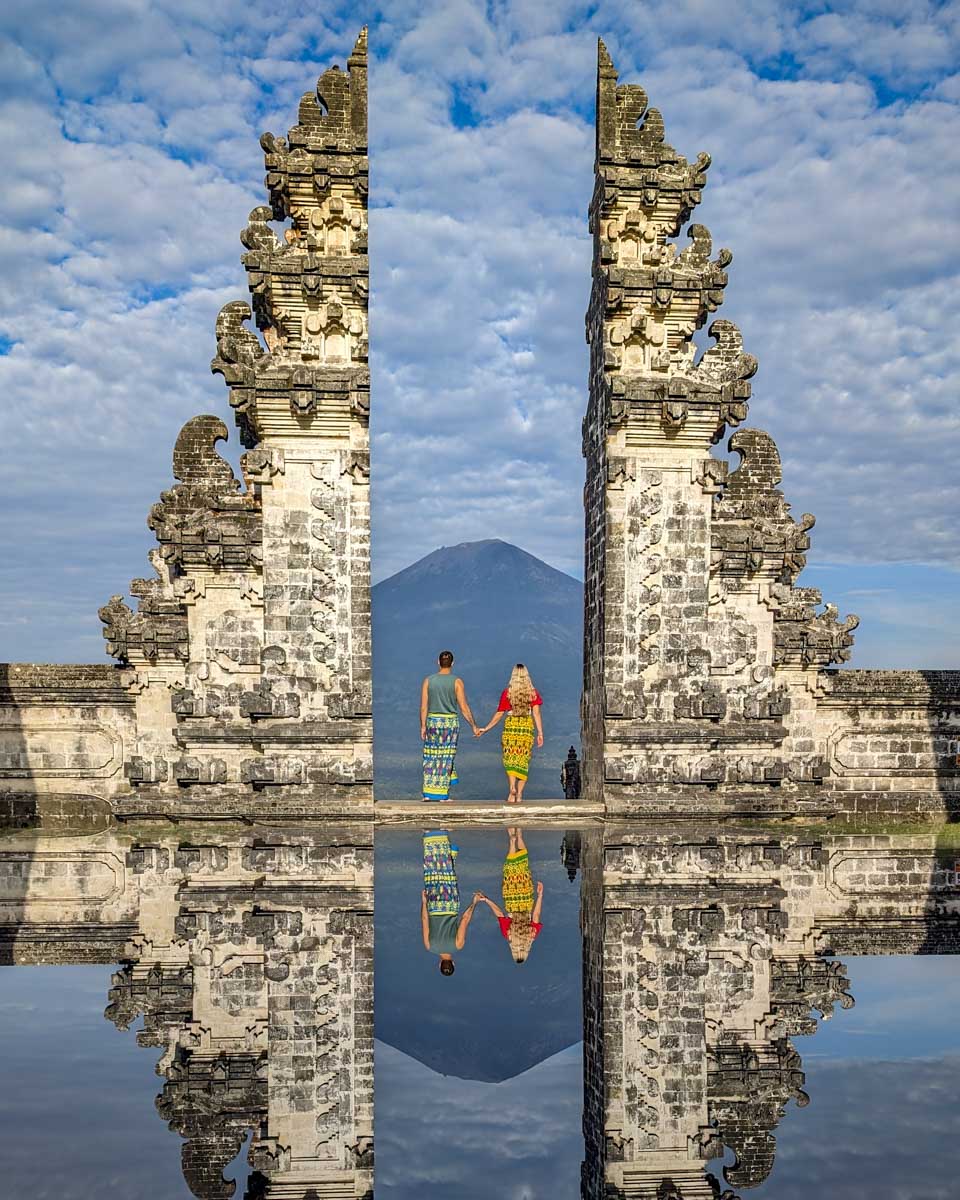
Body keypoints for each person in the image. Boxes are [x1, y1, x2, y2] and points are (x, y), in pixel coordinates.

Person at [475, 827, 544, 964]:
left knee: (523, 864)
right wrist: (486, 900)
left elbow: (536, 915)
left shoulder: (532, 935)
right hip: (511, 899)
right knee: (510, 868)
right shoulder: (508, 935)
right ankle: (512, 842)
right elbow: (499, 914)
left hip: (526, 899)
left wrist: (540, 895)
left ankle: (519, 836)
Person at [476, 663, 543, 803]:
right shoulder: (533, 693)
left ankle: (512, 787)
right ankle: (519, 794)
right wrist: (540, 733)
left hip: (511, 726)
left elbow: (499, 713)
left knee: (510, 759)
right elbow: (536, 713)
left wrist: (486, 728)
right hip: (525, 727)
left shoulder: (508, 693)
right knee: (523, 760)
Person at [420, 650, 479, 802]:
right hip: (449, 723)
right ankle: (442, 795)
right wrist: (473, 725)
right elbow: (463, 707)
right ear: (452, 663)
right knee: (446, 757)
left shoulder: (428, 681)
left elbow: (423, 707)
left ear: (438, 662)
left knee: (431, 756)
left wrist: (423, 726)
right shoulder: (457, 682)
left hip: (433, 721)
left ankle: (428, 793)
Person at [420, 830, 482, 975]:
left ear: (453, 963)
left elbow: (465, 920)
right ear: (439, 964)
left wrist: (474, 902)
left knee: (447, 875)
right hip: (434, 907)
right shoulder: (429, 946)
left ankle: (449, 849)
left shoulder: (458, 945)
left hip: (450, 905)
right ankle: (429, 836)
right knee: (433, 872)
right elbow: (424, 920)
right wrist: (424, 902)